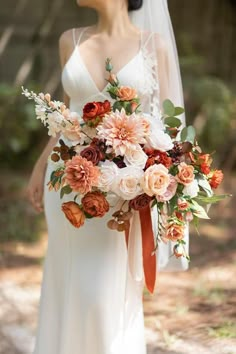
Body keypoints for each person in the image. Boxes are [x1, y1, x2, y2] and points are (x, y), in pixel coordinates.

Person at [29, 1, 189, 353]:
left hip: (123, 187)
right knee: (66, 278)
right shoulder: (69, 40)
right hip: (68, 180)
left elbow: (166, 127)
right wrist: (41, 165)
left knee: (103, 289)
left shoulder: (153, 46)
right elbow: (67, 117)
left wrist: (162, 179)